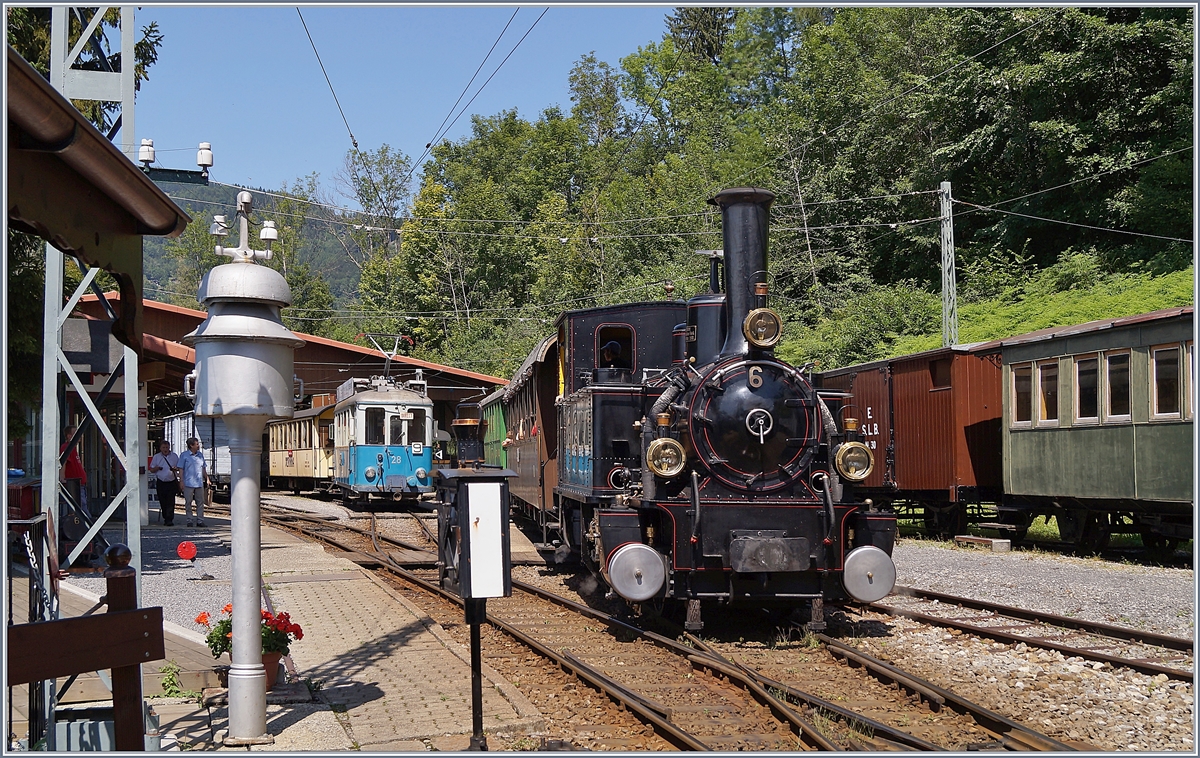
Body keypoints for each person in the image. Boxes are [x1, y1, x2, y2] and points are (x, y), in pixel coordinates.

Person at [178, 437, 210, 527]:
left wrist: (207, 478)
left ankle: (200, 520)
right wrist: (181, 481)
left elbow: (203, 468)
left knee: (200, 502)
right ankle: (189, 520)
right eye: (197, 444)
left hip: (199, 482)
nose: (198, 445)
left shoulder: (200, 455)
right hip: (188, 482)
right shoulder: (184, 455)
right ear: (191, 445)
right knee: (188, 502)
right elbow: (181, 469)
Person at [149, 440, 180, 526]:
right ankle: (165, 517)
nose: (165, 449)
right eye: (163, 447)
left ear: (169, 447)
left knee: (171, 501)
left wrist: (175, 469)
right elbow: (151, 469)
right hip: (161, 481)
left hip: (171, 481)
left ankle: (169, 519)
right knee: (162, 501)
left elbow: (179, 468)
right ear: (160, 448)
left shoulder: (174, 456)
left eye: (167, 447)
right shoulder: (156, 457)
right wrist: (157, 468)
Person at [59, 425, 88, 515]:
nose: (79, 436)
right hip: (74, 485)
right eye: (75, 433)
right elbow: (63, 463)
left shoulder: (73, 448)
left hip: (79, 484)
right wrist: (62, 478)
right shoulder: (66, 447)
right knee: (81, 507)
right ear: (69, 436)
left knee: (82, 506)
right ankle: (89, 526)